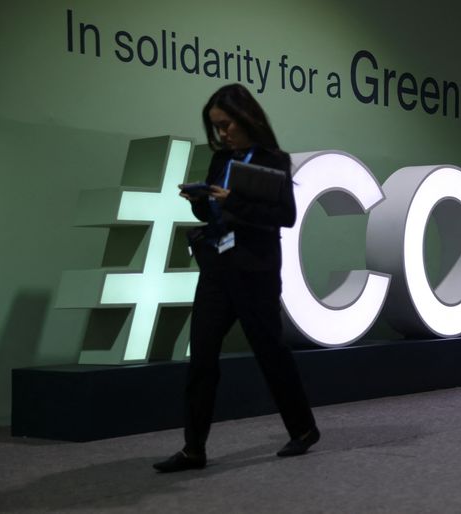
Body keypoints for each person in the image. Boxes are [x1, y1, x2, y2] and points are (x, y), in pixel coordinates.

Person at [154, 84, 319, 473]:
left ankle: (304, 429)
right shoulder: (219, 160)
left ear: (247, 119)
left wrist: (234, 202)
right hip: (217, 266)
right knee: (202, 358)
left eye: (226, 125)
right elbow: (213, 216)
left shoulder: (273, 160)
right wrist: (201, 202)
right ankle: (194, 449)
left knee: (270, 352)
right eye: (216, 127)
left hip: (255, 270)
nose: (222, 134)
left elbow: (285, 217)